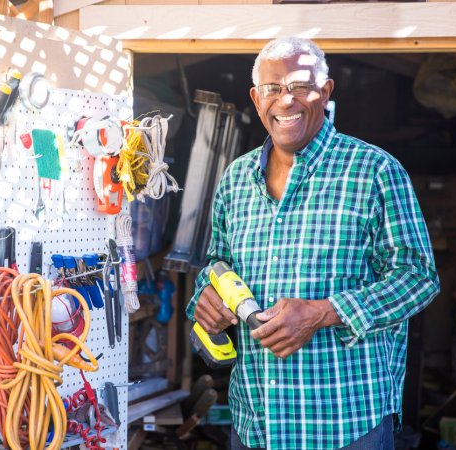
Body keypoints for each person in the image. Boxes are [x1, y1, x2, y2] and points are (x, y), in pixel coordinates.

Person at [186, 37, 440, 450]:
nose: (286, 101)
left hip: (345, 426)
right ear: (256, 97)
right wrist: (205, 296)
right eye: (273, 88)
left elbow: (419, 279)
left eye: (301, 86)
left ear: (325, 92)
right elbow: (218, 263)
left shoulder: (374, 171)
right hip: (255, 424)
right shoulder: (236, 178)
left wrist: (324, 313)